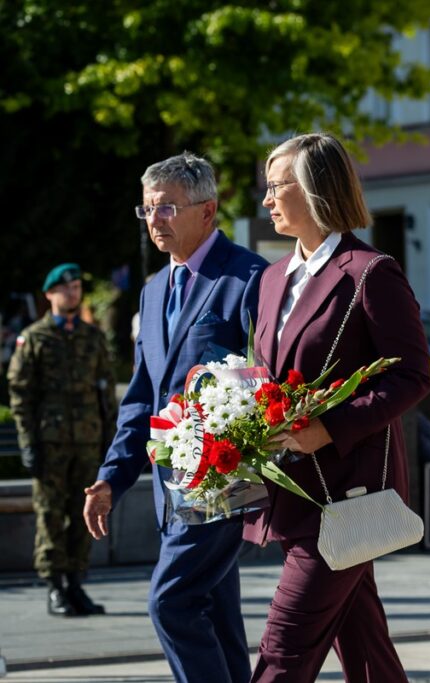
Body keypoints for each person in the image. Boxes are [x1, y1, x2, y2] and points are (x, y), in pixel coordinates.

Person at [243, 132, 430, 683]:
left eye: (277, 186)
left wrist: (330, 428)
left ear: (315, 189)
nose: (267, 199)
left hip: (345, 497)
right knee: (366, 649)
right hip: (289, 494)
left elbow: (412, 375)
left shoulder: (369, 273)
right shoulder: (272, 277)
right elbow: (266, 377)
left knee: (284, 649)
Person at [82, 152, 267, 682]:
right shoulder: (154, 287)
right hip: (170, 487)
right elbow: (143, 395)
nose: (155, 220)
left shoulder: (249, 277)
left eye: (166, 208)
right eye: (147, 210)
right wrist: (111, 478)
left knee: (172, 604)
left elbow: (268, 379)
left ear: (207, 211)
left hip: (224, 479)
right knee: (215, 613)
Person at [7, 263, 116, 617]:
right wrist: (28, 443)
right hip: (50, 442)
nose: (73, 292)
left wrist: (110, 443)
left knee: (82, 513)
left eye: (76, 287)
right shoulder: (34, 338)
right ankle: (55, 586)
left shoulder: (92, 337)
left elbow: (106, 396)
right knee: (51, 514)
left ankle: (75, 583)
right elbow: (21, 395)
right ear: (50, 293)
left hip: (87, 440)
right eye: (65, 287)